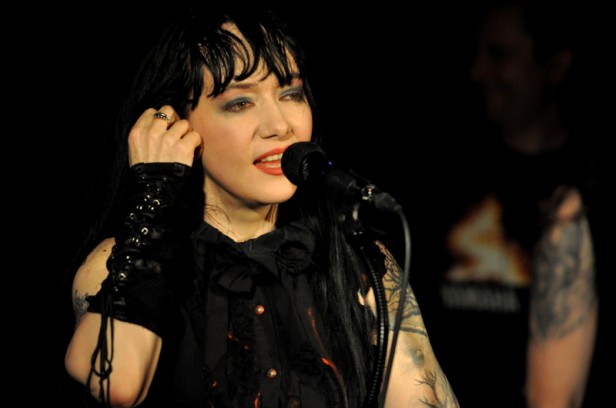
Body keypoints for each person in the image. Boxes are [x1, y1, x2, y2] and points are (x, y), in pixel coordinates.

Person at [62, 6, 459, 408]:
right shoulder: (122, 260)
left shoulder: (360, 264)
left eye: (291, 94)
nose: (279, 126)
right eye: (239, 103)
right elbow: (116, 383)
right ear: (173, 126)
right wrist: (157, 193)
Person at [409, 2, 602, 407]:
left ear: (555, 66)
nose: (477, 72)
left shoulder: (586, 191)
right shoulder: (441, 173)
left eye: (499, 55)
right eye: (478, 54)